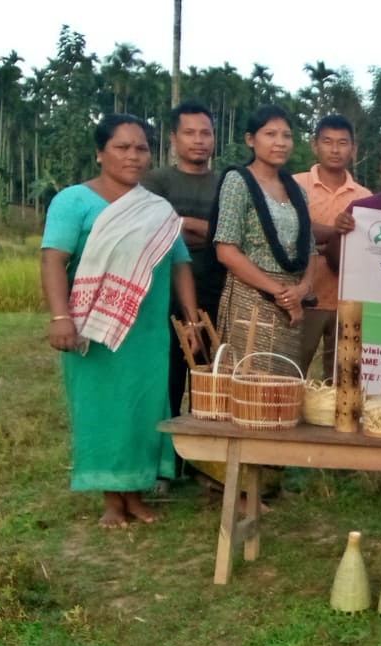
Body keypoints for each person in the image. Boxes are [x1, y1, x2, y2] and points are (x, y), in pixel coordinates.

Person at [40, 113, 201, 528]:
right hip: (94, 329)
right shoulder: (73, 201)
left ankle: (135, 493)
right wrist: (61, 317)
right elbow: (53, 259)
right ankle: (113, 501)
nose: (133, 156)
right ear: (100, 153)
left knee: (145, 408)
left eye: (142, 148)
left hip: (148, 333)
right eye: (122, 147)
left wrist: (191, 318)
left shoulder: (158, 209)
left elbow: (180, 264)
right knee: (104, 411)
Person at [210, 105, 320, 365]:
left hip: (292, 307)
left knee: (283, 390)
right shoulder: (238, 182)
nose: (280, 143)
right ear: (251, 139)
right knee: (248, 387)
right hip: (252, 301)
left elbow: (310, 250)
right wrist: (280, 293)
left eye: (287, 135)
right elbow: (226, 251)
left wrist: (301, 290)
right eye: (270, 134)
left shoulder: (297, 191)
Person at [142, 101, 222, 421]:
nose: (199, 140)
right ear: (174, 138)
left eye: (205, 133)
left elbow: (229, 239)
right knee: (168, 382)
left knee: (211, 384)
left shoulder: (226, 183)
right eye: (190, 133)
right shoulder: (155, 181)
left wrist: (180, 221)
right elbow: (156, 231)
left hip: (218, 293)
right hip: (165, 297)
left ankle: (207, 464)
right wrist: (209, 233)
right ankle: (169, 463)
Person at [292, 115, 371, 379]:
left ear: (353, 149)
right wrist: (336, 234)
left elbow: (366, 249)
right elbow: (293, 229)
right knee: (292, 373)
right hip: (304, 298)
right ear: (315, 146)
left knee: (341, 381)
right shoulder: (295, 185)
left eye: (342, 143)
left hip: (347, 302)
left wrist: (318, 245)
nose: (335, 149)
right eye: (327, 142)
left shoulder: (365, 197)